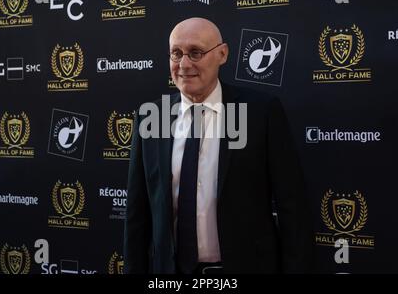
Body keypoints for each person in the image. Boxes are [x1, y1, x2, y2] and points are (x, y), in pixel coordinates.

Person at [124, 17, 313, 274]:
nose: (184, 64)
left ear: (222, 54)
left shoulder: (260, 112)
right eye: (176, 54)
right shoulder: (151, 116)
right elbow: (138, 214)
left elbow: (293, 208)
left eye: (196, 53)